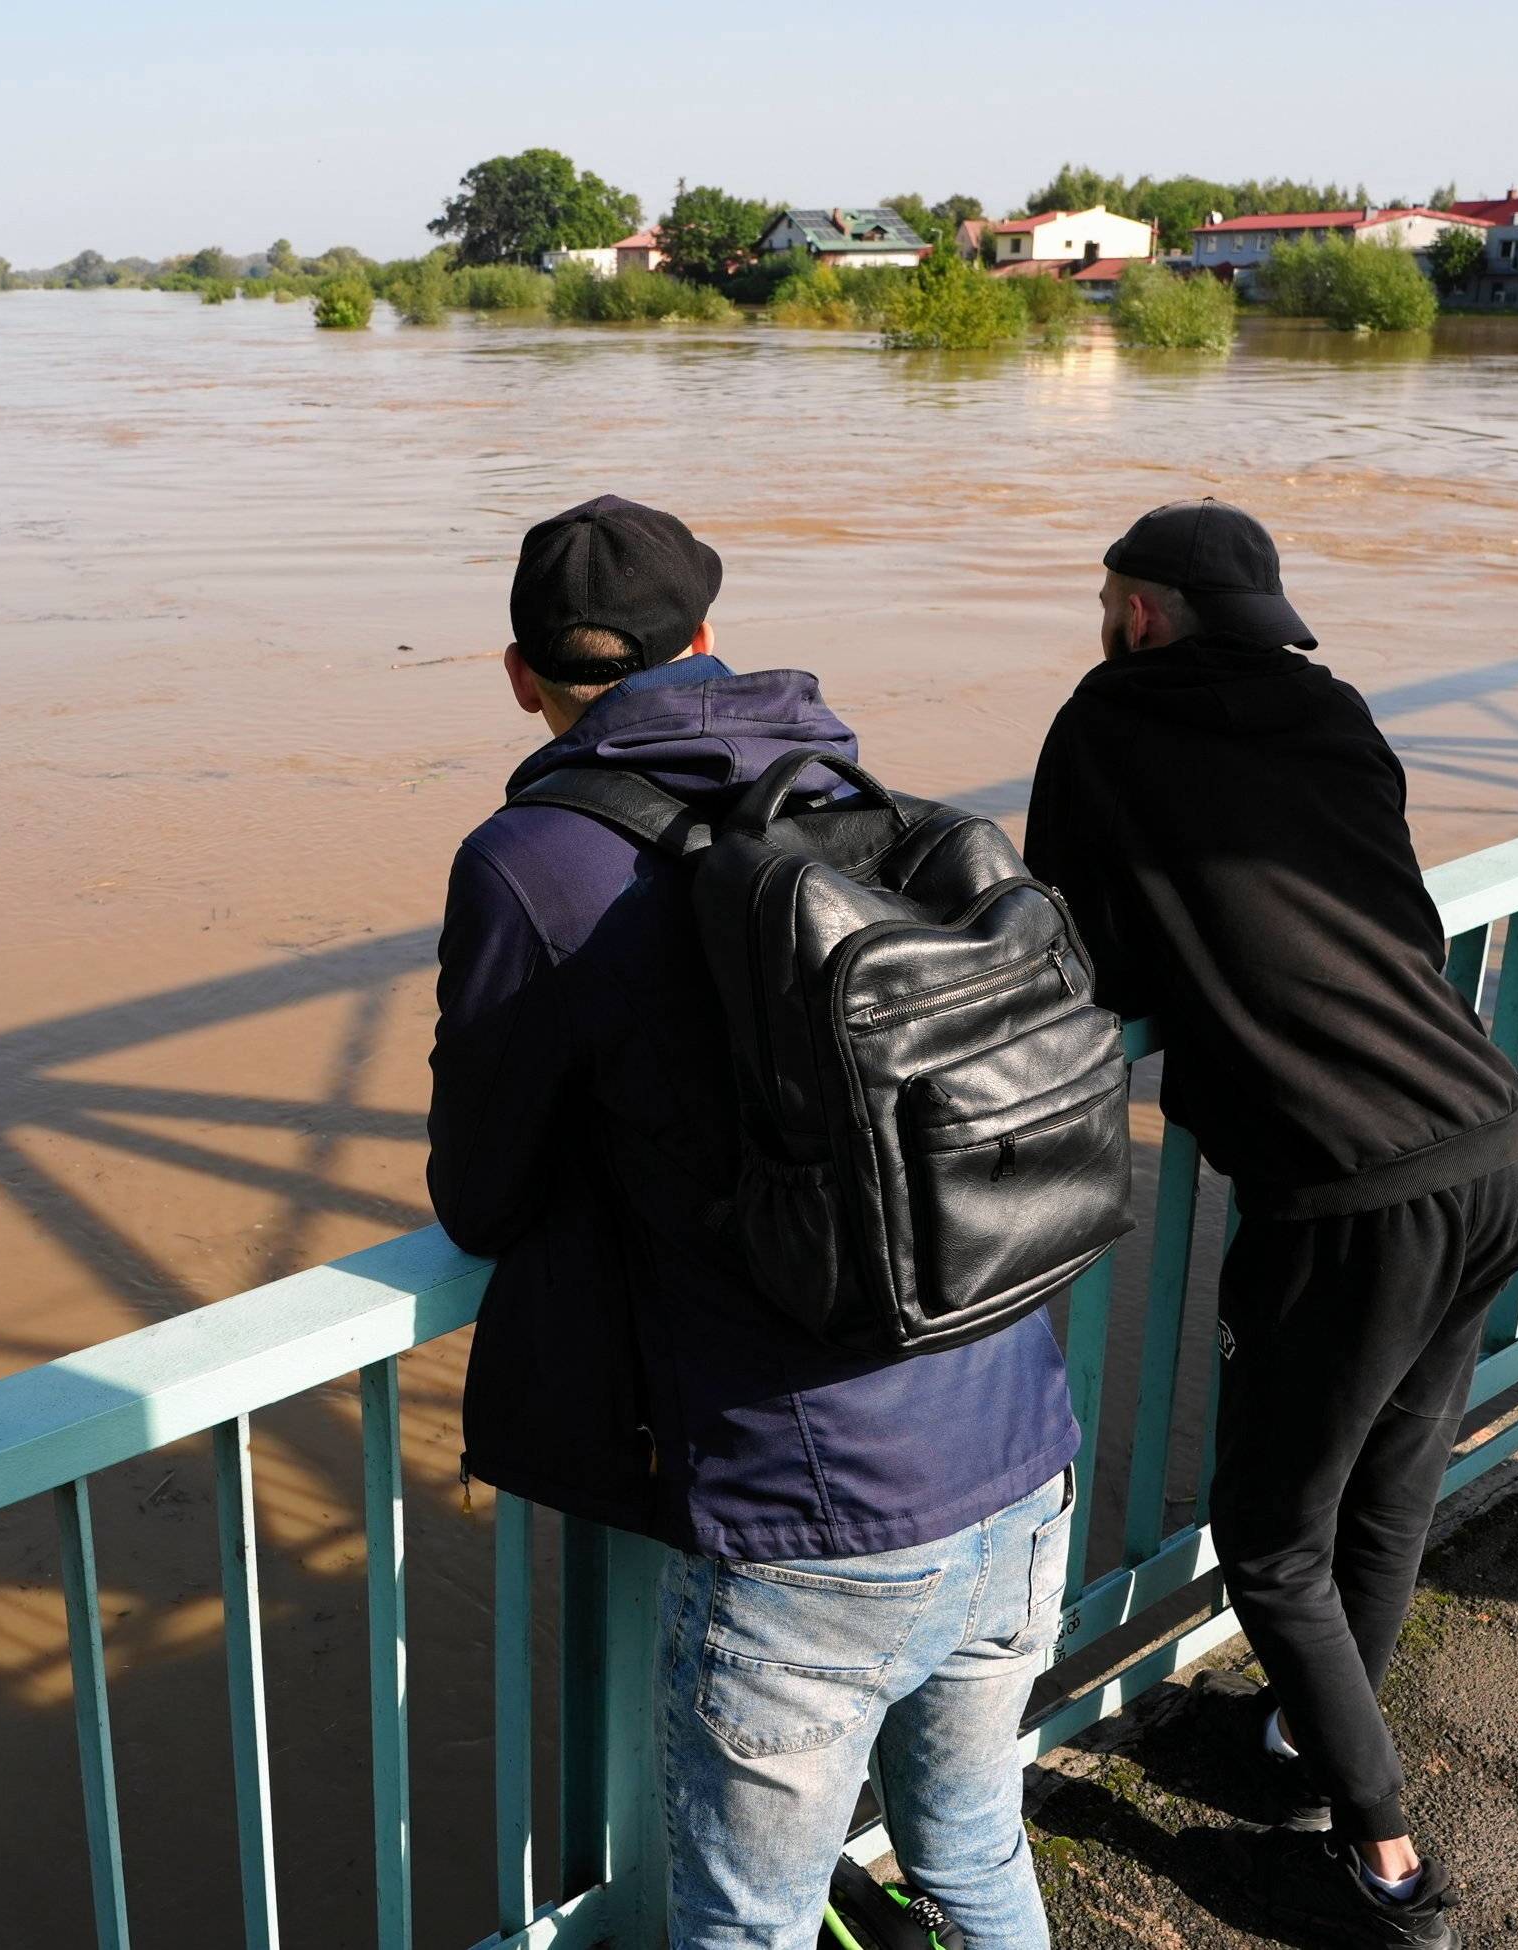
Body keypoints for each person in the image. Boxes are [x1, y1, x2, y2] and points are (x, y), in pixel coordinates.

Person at [429, 495, 1081, 1950]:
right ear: (714, 642)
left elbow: (479, 1191)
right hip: (1018, 1446)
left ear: (521, 676)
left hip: (807, 1514)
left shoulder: (530, 861)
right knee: (974, 1847)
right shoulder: (848, 792)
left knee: (747, 1924)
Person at [1020, 501, 1518, 1950]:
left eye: (1105, 598)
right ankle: (1302, 1764)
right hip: (1487, 1141)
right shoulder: (1330, 706)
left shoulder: (1107, 726)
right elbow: (1405, 923)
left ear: (1139, 613)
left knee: (1269, 1538)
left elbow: (1079, 950)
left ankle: (1388, 1870)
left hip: (1343, 1198)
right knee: (1384, 1495)